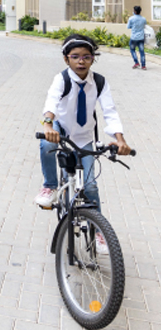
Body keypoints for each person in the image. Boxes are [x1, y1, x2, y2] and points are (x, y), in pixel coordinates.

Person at [35, 34, 132, 250]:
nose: (81, 61)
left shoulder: (99, 82)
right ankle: (50, 186)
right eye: (75, 56)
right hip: (60, 129)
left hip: (84, 136)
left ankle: (99, 232)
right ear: (66, 59)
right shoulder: (62, 79)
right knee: (47, 144)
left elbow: (109, 111)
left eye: (87, 57)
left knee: (90, 186)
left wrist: (120, 140)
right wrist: (48, 125)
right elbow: (51, 101)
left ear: (93, 59)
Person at [127, 6, 147, 70]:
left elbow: (128, 27)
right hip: (141, 37)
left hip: (134, 38)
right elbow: (145, 26)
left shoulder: (131, 19)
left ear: (135, 11)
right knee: (142, 51)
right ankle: (143, 66)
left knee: (132, 50)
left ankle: (136, 62)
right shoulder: (143, 19)